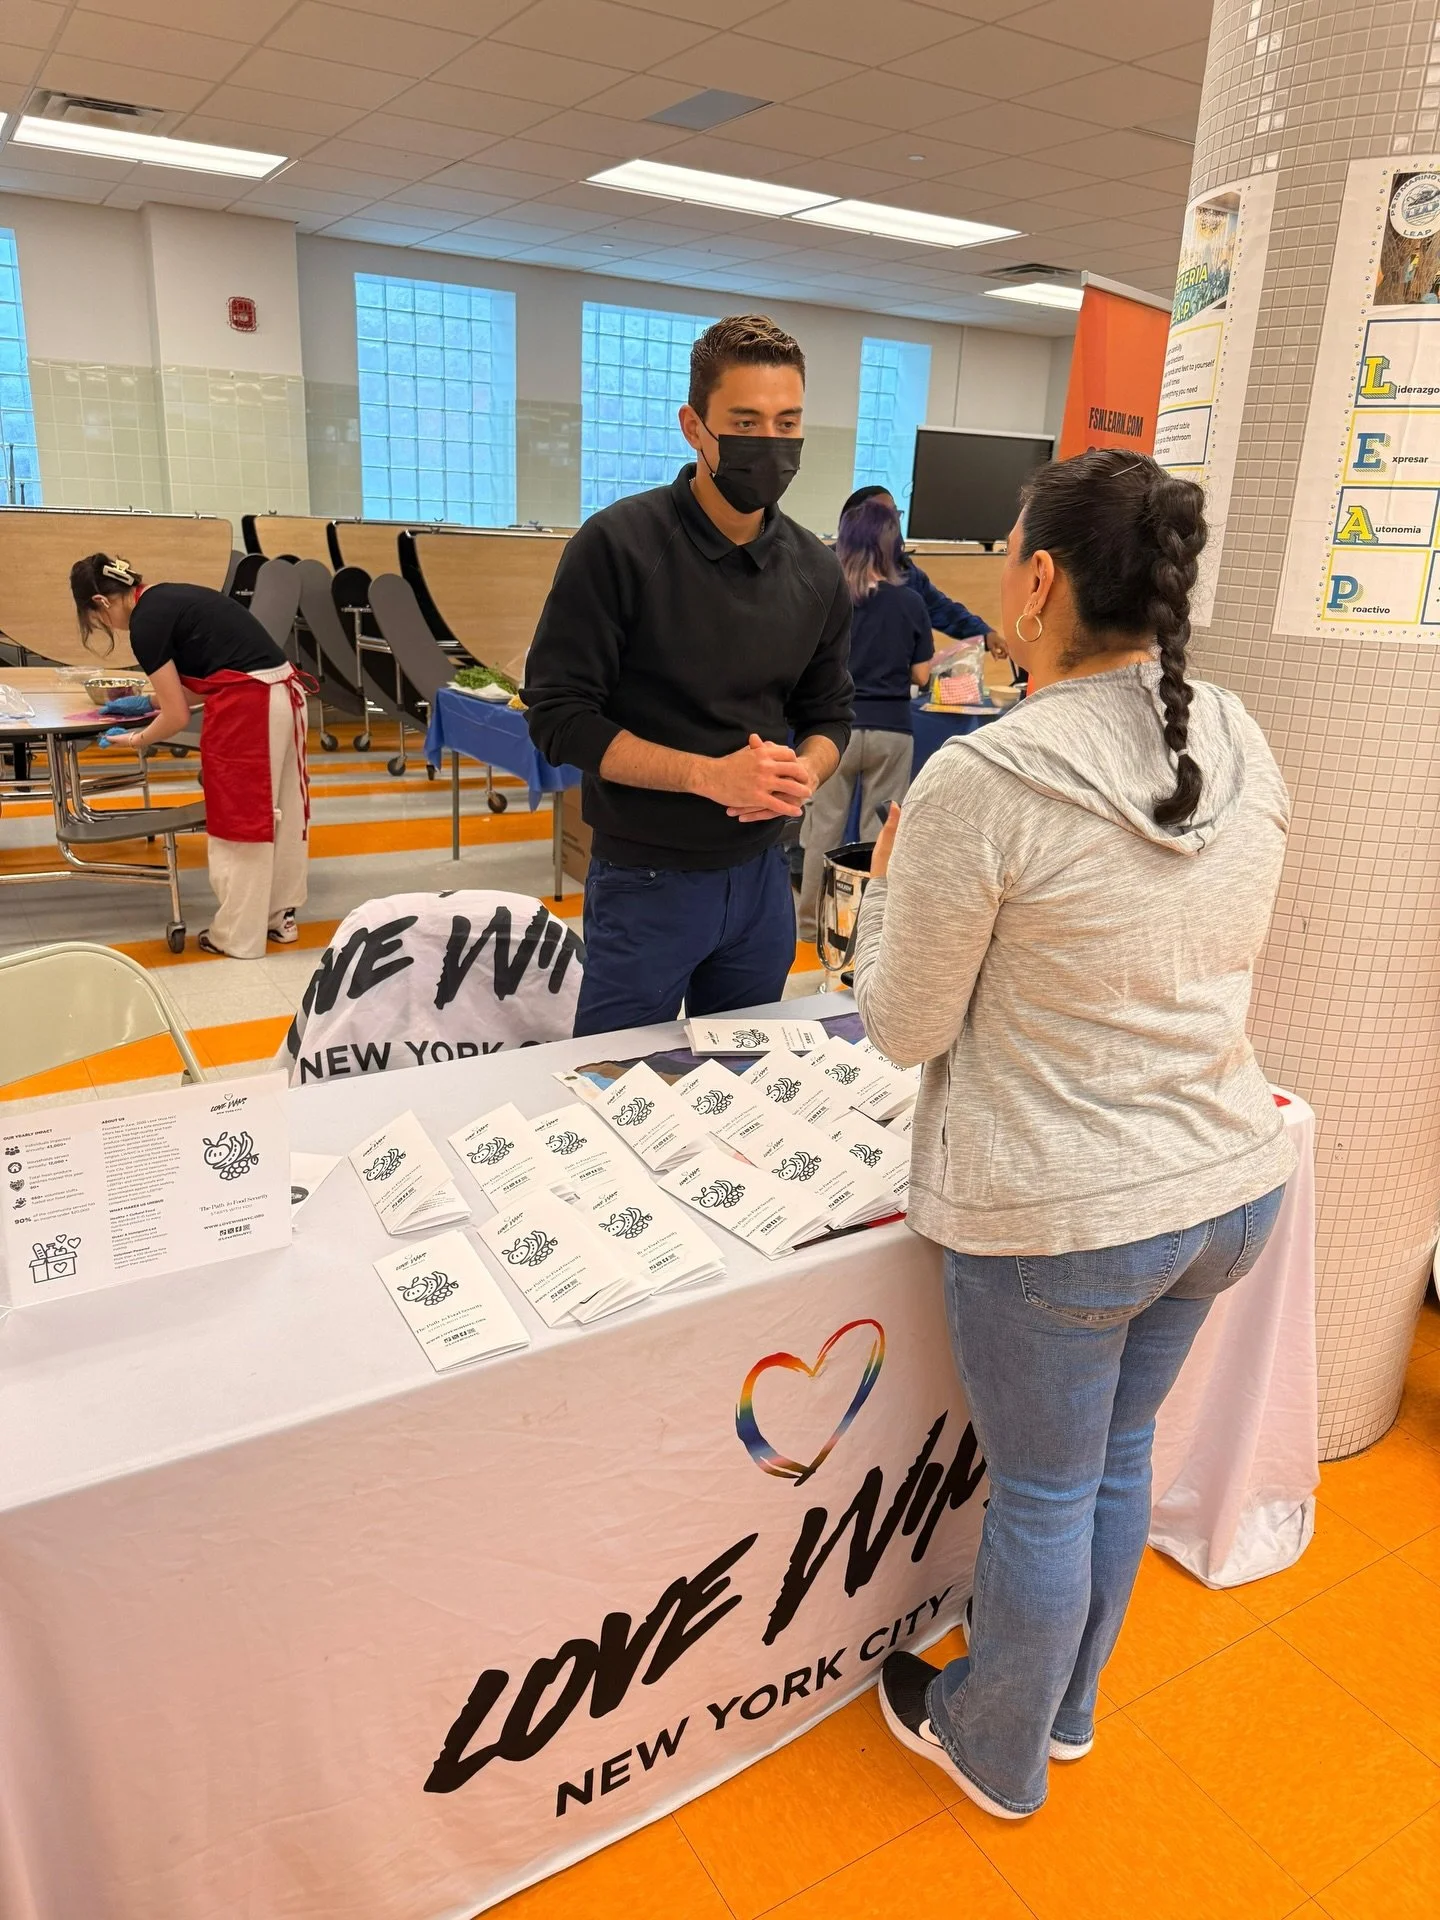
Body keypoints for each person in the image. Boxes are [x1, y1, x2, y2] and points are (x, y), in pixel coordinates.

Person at [853, 450, 1295, 1821]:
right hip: (1226, 1184)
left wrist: (885, 895)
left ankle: (996, 1746)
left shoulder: (989, 780)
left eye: (1004, 554)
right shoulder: (1236, 729)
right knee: (1113, 1460)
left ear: (1040, 580)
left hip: (1068, 1215)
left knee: (1043, 1493)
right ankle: (1070, 1708)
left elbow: (906, 1025)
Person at [524, 315, 853, 1037]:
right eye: (745, 420)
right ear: (694, 426)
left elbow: (830, 713)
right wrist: (708, 776)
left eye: (787, 422)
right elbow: (557, 716)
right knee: (613, 1085)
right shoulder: (617, 546)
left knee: (744, 1084)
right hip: (646, 883)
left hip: (765, 880)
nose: (769, 442)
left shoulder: (816, 569)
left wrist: (806, 770)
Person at [72, 555, 310, 959]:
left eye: (97, 618)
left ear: (101, 600)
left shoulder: (145, 625)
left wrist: (136, 739)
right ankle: (278, 919)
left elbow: (178, 715)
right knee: (282, 809)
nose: (104, 624)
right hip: (282, 695)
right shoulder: (166, 596)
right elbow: (207, 679)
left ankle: (238, 937)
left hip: (249, 710)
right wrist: (146, 700)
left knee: (240, 819)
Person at [797, 495, 932, 937]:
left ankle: (809, 926)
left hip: (834, 733)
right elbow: (921, 673)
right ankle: (867, 930)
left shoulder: (825, 599)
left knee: (824, 830)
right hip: (894, 730)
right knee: (880, 836)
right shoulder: (911, 603)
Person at [839, 484, 1001, 652]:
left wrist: (983, 634)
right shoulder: (829, 569)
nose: (891, 523)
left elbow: (942, 610)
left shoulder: (906, 572)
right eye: (882, 516)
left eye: (894, 514)